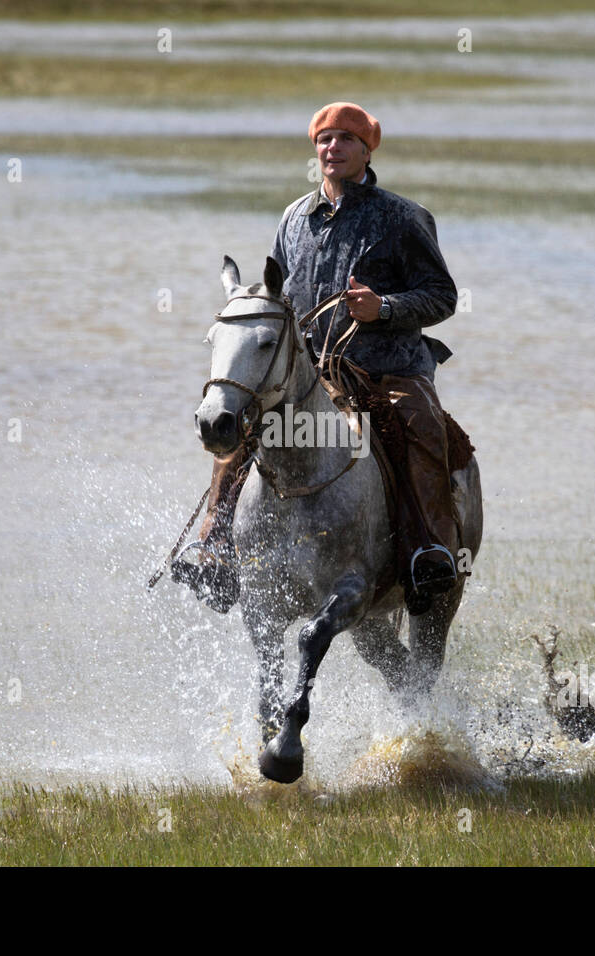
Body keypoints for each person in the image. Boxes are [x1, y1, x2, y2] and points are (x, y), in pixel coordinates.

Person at [173, 101, 462, 615]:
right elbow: (277, 296)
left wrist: (385, 307)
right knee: (239, 421)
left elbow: (442, 296)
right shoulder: (294, 217)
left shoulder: (402, 217)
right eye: (325, 140)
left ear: (366, 150)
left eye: (345, 139)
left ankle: (429, 550)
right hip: (309, 371)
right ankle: (214, 545)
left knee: (421, 426)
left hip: (388, 366)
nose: (333, 148)